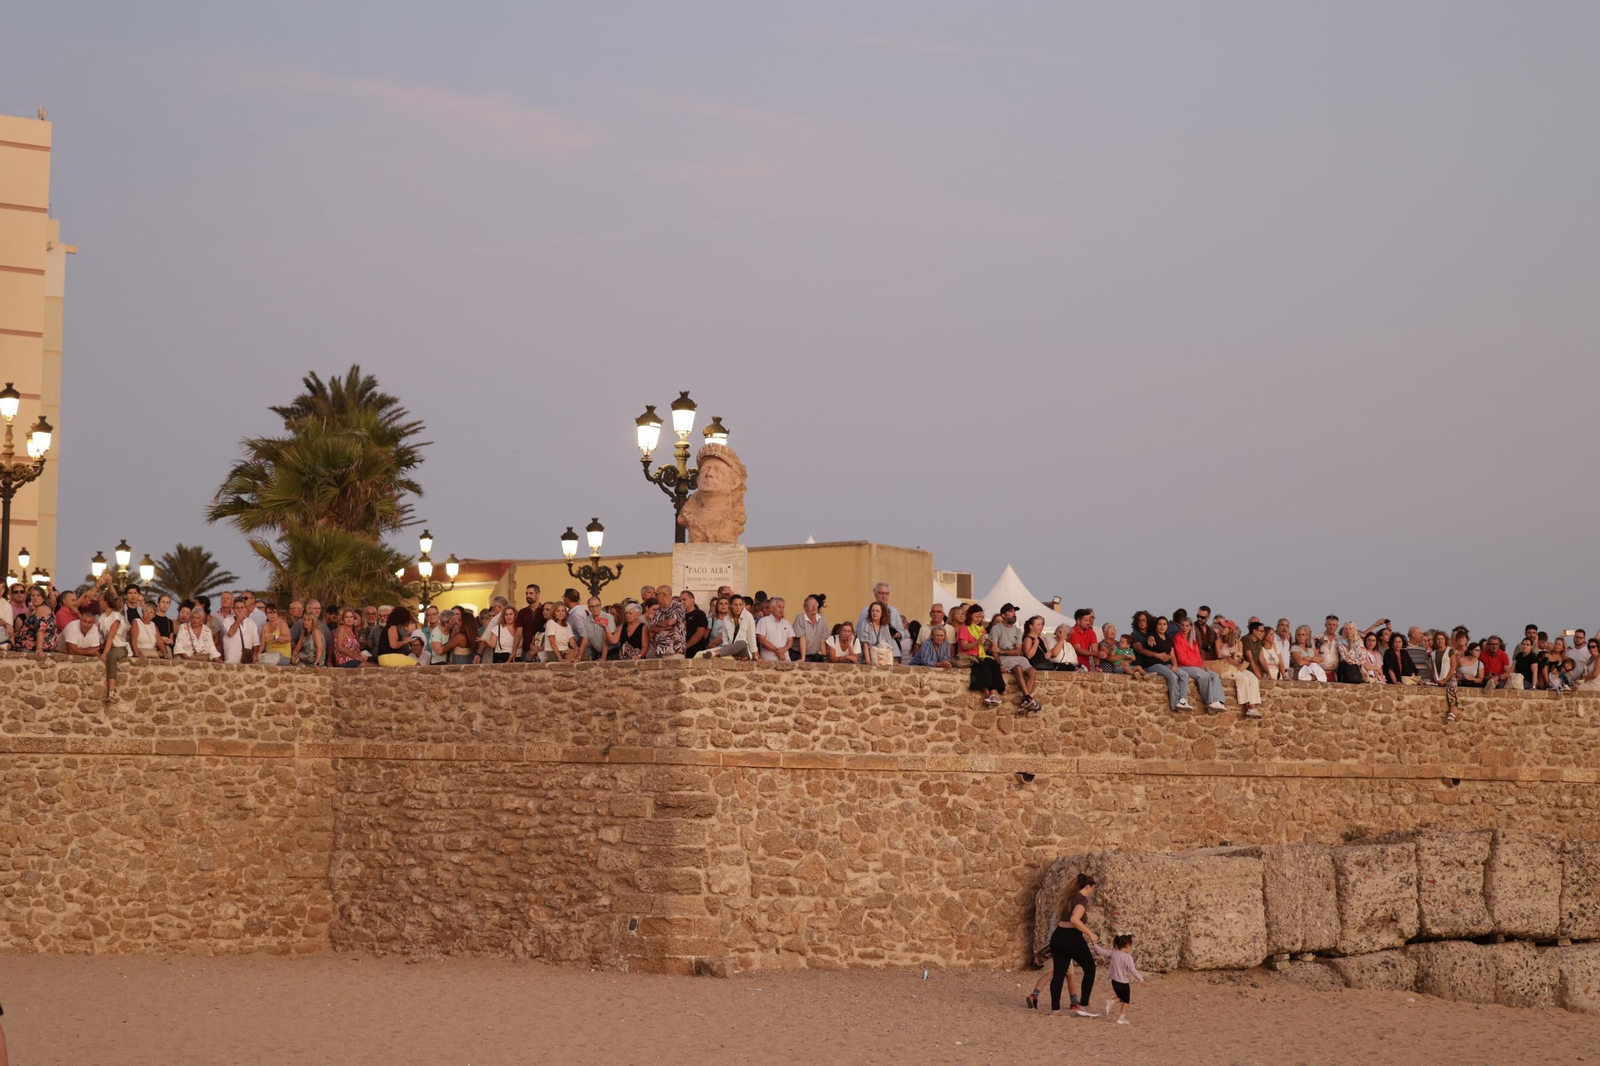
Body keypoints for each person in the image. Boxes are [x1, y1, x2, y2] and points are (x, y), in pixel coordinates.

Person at [1049, 873, 1100, 1017]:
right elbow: (1074, 919)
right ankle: (1083, 1005)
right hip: (1072, 938)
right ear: (1087, 886)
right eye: (1092, 889)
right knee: (1090, 968)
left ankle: (1055, 1009)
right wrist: (1090, 934)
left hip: (1058, 936)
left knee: (1059, 974)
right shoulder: (1081, 899)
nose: (1091, 892)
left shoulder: (1067, 898)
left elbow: (1059, 920)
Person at [1132, 613, 1191, 711]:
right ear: (1156, 626)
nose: (1162, 626)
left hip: (1166, 664)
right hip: (1153, 664)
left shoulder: (1168, 640)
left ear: (1167, 626)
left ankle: (1182, 700)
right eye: (1159, 624)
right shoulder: (1152, 636)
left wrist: (1175, 665)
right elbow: (1148, 640)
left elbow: (1172, 655)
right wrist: (1152, 643)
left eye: (1164, 624)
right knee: (1173, 676)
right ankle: (1175, 704)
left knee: (1184, 674)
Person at [1172, 617, 1228, 712]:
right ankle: (1210, 702)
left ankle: (1218, 701)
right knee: (1204, 676)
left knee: (1214, 675)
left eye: (1187, 626)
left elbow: (1198, 655)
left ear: (1191, 627)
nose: (1185, 628)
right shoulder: (1177, 639)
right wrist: (1197, 665)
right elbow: (1182, 659)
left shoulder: (1192, 640)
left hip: (1196, 665)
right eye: (1182, 626)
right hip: (1184, 666)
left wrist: (1202, 664)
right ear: (1180, 626)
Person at [991, 605, 1040, 712]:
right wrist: (999, 664)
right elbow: (994, 650)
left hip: (1015, 656)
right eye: (1011, 611)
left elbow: (1018, 651)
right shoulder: (996, 629)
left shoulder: (1017, 631)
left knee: (1032, 671)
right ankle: (1027, 698)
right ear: (1003, 615)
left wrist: (1002, 650)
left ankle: (1025, 699)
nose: (1014, 614)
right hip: (1004, 658)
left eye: (1014, 612)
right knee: (1018, 668)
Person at [1211, 620, 1262, 718]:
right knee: (1243, 679)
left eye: (1224, 627)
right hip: (1227, 668)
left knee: (1253, 679)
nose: (1222, 629)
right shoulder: (1219, 642)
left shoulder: (1239, 643)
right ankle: (1248, 706)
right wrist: (1227, 658)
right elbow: (1219, 656)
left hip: (1238, 667)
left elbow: (1241, 659)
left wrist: (1236, 662)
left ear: (1230, 629)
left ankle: (1254, 707)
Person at [1094, 934, 1147, 1025]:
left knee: (1121, 997)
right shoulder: (1128, 957)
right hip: (1123, 982)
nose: (1130, 948)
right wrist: (1141, 980)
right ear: (1127, 945)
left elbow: (1102, 951)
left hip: (1114, 981)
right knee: (1126, 1000)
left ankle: (1111, 1002)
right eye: (1130, 946)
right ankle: (1120, 1018)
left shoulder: (1114, 953)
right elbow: (1133, 970)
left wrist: (1094, 944)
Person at [958, 606, 1005, 707]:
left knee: (994, 665)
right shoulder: (964, 628)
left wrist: (986, 643)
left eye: (980, 617)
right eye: (976, 617)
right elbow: (964, 646)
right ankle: (987, 694)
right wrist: (977, 641)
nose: (979, 619)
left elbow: (984, 649)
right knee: (983, 667)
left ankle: (992, 694)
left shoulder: (982, 630)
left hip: (981, 655)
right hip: (969, 656)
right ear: (970, 616)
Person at [97, 588, 130, 703]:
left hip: (119, 646)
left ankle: (111, 692)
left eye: (101, 601)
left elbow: (111, 636)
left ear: (106, 602)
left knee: (111, 657)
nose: (99, 603)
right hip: (107, 645)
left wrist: (105, 654)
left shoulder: (116, 616)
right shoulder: (102, 617)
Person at [646, 584, 686, 659]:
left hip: (673, 650)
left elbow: (670, 622)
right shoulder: (658, 610)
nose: (655, 596)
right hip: (659, 650)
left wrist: (658, 625)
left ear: (663, 594)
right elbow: (652, 629)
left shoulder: (678, 606)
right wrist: (664, 627)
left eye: (656, 594)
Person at [1428, 631, 1459, 723]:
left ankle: (1452, 710)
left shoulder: (1450, 651)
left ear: (1445, 640)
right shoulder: (1433, 653)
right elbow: (1432, 668)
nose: (1440, 641)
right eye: (1438, 639)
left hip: (1449, 678)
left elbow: (1453, 667)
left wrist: (1445, 680)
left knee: (1451, 688)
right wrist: (1435, 679)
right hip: (1438, 679)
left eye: (1442, 639)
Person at [219, 599, 260, 665]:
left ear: (245, 609)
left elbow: (255, 643)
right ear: (233, 610)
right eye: (237, 608)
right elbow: (230, 633)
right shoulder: (227, 621)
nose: (239, 610)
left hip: (246, 662)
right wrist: (239, 619)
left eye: (242, 608)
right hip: (230, 661)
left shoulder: (252, 623)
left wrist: (255, 655)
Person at [793, 595, 829, 662]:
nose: (814, 607)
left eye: (815, 604)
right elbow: (802, 639)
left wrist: (824, 658)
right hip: (797, 654)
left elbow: (822, 640)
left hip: (813, 655)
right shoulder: (800, 618)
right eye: (811, 605)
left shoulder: (822, 619)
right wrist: (803, 658)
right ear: (805, 608)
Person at [681, 591, 711, 659]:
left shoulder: (700, 614)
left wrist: (685, 646)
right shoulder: (679, 616)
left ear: (692, 600)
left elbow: (700, 633)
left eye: (684, 599)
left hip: (696, 652)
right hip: (681, 653)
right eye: (680, 600)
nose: (681, 602)